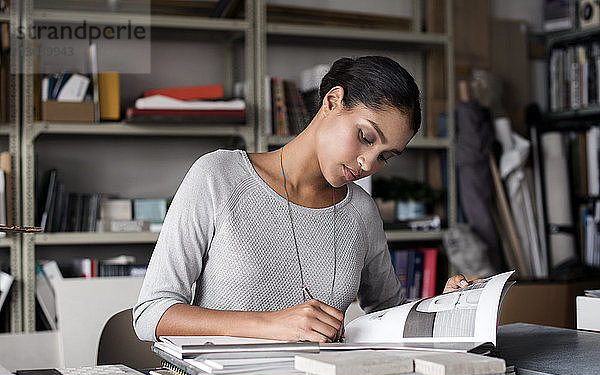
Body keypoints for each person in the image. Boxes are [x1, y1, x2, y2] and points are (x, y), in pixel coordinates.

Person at [133, 56, 472, 343]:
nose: (369, 164)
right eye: (366, 137)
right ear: (332, 101)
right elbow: (151, 314)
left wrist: (440, 307)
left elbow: (388, 312)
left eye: (386, 156)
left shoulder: (361, 212)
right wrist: (271, 325)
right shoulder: (218, 176)